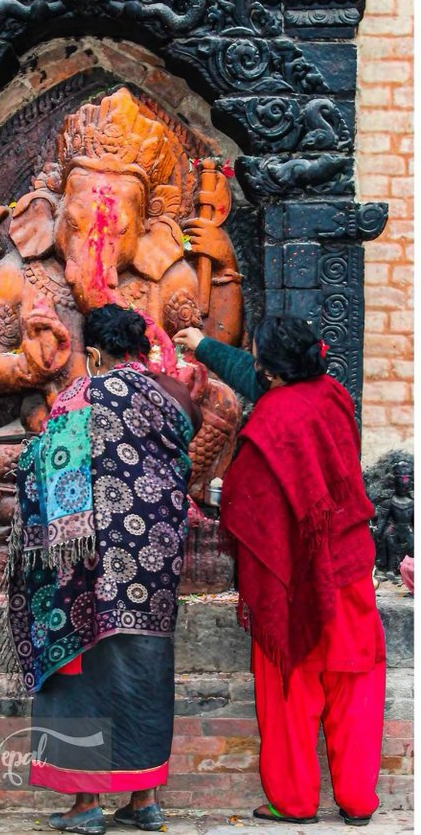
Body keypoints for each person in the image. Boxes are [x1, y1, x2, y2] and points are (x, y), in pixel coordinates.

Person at [174, 317, 385, 828]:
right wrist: (205, 346)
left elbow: (245, 501)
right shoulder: (334, 395)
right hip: (348, 563)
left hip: (292, 576)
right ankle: (358, 802)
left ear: (269, 371)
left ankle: (293, 802)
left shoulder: (270, 419)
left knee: (291, 685)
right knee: (355, 679)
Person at [5, 304, 201, 834]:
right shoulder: (173, 396)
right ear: (140, 347)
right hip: (155, 559)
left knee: (85, 674)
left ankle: (86, 805)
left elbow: (50, 466)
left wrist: (30, 456)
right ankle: (144, 799)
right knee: (144, 668)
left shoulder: (82, 396)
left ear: (93, 352)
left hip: (91, 563)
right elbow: (184, 458)